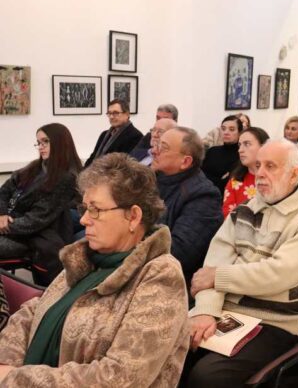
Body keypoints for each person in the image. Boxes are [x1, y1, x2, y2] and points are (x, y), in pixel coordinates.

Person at [0, 153, 189, 385]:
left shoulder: (160, 275)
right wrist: (7, 364)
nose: (84, 220)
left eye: (96, 210)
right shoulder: (87, 257)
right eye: (84, 208)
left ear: (133, 217)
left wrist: (18, 378)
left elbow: (119, 377)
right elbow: (33, 311)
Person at [182, 140, 298, 387]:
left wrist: (218, 277)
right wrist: (206, 310)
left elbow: (278, 274)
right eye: (258, 165)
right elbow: (214, 263)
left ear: (294, 174)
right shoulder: (245, 209)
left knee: (207, 377)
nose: (259, 173)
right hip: (225, 309)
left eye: (270, 166)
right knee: (167, 353)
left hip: (274, 320)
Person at [0, 123, 82, 285]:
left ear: (60, 142)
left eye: (45, 141)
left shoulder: (65, 178)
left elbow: (36, 220)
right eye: (38, 142)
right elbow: (3, 192)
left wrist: (5, 226)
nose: (41, 147)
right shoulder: (33, 168)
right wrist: (2, 214)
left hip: (31, 237)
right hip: (12, 227)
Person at [152, 127, 223, 289]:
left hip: (171, 283)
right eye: (157, 144)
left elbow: (178, 254)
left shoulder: (203, 196)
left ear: (185, 162)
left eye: (163, 148)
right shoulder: (152, 180)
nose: (154, 151)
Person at [223, 127, 269, 217]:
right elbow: (228, 218)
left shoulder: (277, 179)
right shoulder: (235, 182)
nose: (240, 150)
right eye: (239, 145)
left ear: (263, 147)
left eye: (247, 144)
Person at [85, 99, 143, 167]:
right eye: (109, 113)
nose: (111, 117)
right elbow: (93, 156)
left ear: (127, 114)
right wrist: (84, 171)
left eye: (115, 113)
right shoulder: (104, 134)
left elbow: (126, 165)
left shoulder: (136, 136)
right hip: (94, 171)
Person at [201, 115, 242, 194]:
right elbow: (200, 176)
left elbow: (229, 183)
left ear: (239, 133)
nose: (226, 132)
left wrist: (212, 179)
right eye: (223, 129)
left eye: (231, 129)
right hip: (204, 193)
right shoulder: (212, 151)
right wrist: (220, 180)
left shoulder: (241, 155)